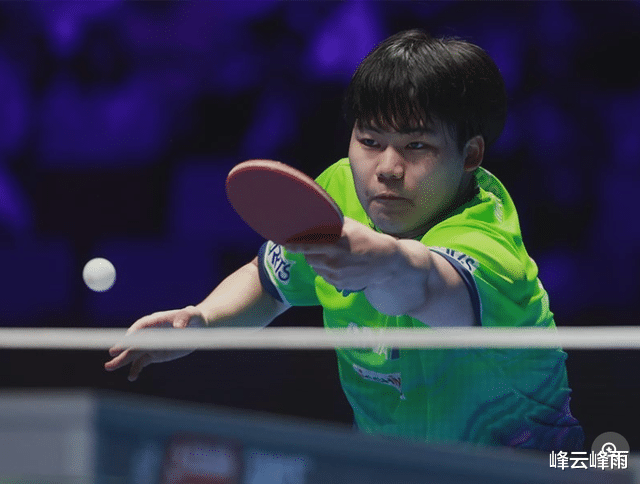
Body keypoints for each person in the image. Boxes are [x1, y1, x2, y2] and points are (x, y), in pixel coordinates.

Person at [105, 29, 584, 451]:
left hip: (519, 468)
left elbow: (424, 284)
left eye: (417, 145)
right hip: (382, 465)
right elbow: (269, 281)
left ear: (470, 154)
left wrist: (383, 261)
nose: (387, 168)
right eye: (370, 141)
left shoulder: (489, 241)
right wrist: (204, 321)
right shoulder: (339, 195)